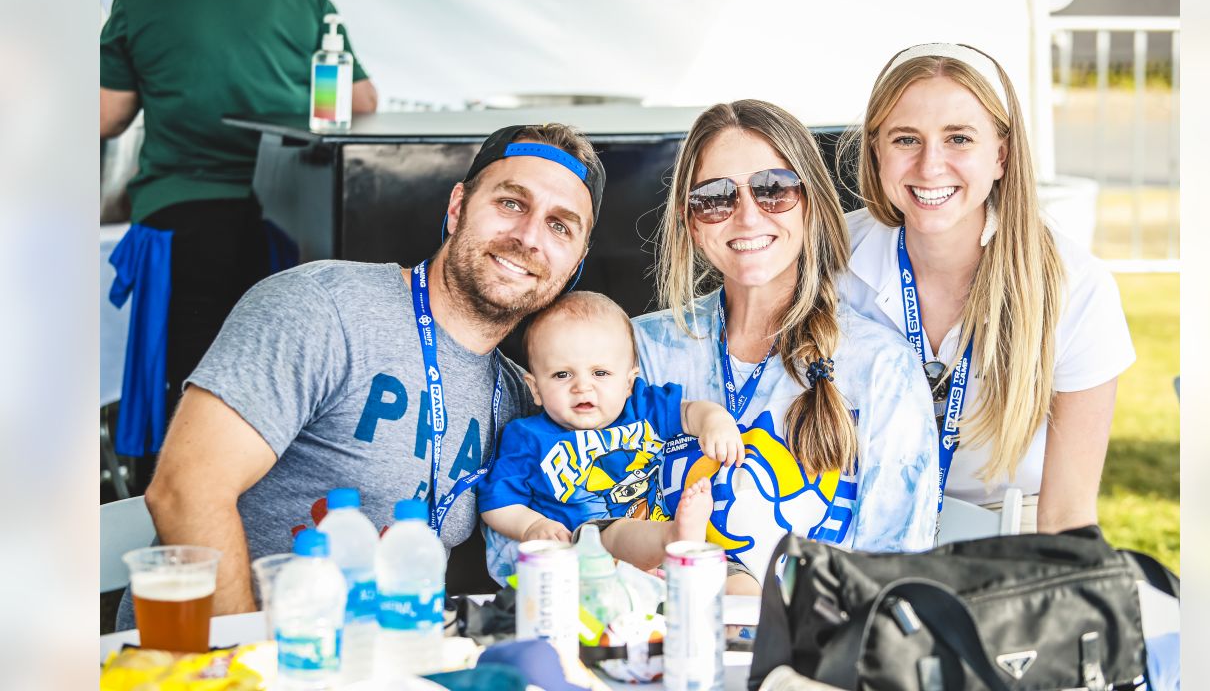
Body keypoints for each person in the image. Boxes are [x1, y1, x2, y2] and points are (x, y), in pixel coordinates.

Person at [118, 123, 605, 630]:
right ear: (458, 206)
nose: (528, 237)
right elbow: (185, 490)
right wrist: (257, 668)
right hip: (216, 669)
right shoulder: (322, 306)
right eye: (510, 203)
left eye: (560, 226)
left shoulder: (522, 401)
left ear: (574, 265)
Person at [629, 100, 940, 586]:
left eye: (774, 190)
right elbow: (572, 519)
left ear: (810, 203)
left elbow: (895, 571)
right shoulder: (638, 351)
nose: (748, 216)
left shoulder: (880, 368)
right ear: (691, 221)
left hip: (813, 653)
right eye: (714, 197)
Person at [837, 42, 1135, 533]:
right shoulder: (829, 259)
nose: (930, 166)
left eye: (958, 138)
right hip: (855, 538)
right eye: (906, 139)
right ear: (877, 152)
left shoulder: (1076, 288)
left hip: (1005, 552)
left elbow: (1066, 516)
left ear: (1001, 155)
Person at [99, 0, 379, 455]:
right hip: (291, 220)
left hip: (183, 215)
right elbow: (361, 102)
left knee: (192, 378)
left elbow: (107, 116)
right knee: (286, 373)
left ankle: (186, 505)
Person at [477, 291, 742, 582]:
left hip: (662, 561)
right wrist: (531, 526)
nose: (582, 387)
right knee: (612, 532)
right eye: (562, 375)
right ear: (536, 388)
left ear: (629, 382)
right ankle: (676, 537)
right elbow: (496, 504)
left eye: (600, 373)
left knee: (737, 580)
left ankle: (689, 554)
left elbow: (688, 412)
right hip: (590, 559)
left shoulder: (642, 407)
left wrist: (715, 420)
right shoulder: (527, 437)